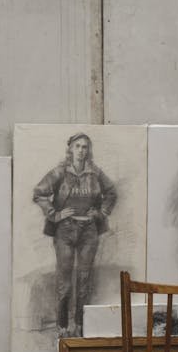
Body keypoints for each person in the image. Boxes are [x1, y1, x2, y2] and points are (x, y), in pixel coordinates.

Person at [33, 134, 117, 338]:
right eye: (78, 146)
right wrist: (56, 215)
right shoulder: (60, 171)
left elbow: (112, 193)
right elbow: (39, 193)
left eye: (85, 147)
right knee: (65, 281)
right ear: (70, 149)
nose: (82, 150)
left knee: (84, 279)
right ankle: (62, 326)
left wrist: (100, 213)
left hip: (89, 231)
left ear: (89, 150)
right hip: (65, 231)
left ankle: (79, 325)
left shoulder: (95, 172)